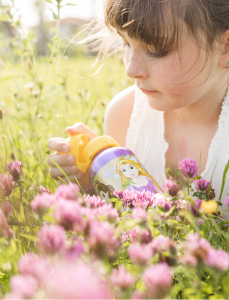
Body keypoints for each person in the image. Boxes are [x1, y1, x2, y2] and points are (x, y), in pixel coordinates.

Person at [47, 0, 229, 209]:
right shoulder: (124, 116)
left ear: (225, 46)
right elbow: (128, 217)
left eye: (155, 49)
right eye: (126, 43)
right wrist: (95, 182)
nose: (131, 69)